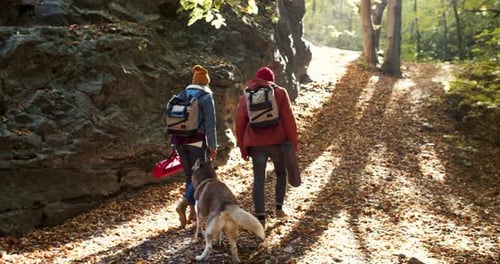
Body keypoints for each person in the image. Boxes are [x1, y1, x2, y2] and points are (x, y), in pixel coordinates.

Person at [235, 66, 298, 227]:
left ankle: (261, 219)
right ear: (271, 79)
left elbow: (240, 123)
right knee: (281, 174)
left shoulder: (247, 94)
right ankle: (279, 209)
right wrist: (293, 144)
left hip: (256, 145)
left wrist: (242, 147)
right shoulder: (279, 92)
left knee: (258, 180)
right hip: (277, 142)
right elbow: (289, 120)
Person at [172, 65, 217, 228]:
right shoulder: (206, 96)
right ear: (206, 83)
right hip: (196, 141)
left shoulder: (182, 94)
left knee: (188, 175)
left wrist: (173, 143)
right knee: (200, 175)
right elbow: (211, 124)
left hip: (179, 140)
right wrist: (213, 146)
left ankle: (192, 213)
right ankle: (184, 204)